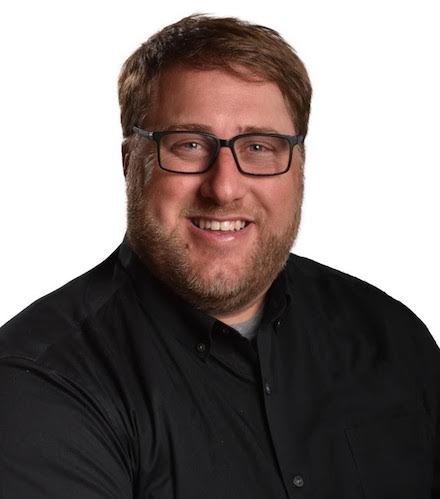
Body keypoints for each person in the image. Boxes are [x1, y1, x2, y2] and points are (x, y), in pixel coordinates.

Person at [0, 13, 438, 498]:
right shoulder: (39, 383)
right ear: (131, 164)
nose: (225, 187)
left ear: (299, 167)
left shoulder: (391, 336)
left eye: (259, 146)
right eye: (188, 144)